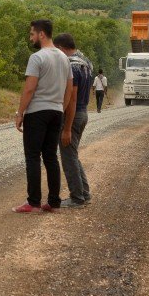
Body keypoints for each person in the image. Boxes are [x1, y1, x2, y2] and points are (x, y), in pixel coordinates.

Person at [13, 19, 72, 214]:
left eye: (32, 34)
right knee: (50, 157)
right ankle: (54, 201)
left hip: (38, 111)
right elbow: (69, 88)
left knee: (32, 156)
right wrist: (60, 108)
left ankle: (33, 202)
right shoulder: (64, 58)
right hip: (56, 111)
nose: (30, 38)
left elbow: (29, 88)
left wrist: (20, 113)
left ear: (41, 34)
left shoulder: (37, 57)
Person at [54, 33, 93, 208]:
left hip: (73, 114)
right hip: (83, 112)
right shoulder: (85, 61)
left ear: (62, 48)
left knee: (68, 157)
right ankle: (84, 192)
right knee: (73, 155)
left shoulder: (71, 66)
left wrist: (67, 128)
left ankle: (77, 197)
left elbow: (71, 98)